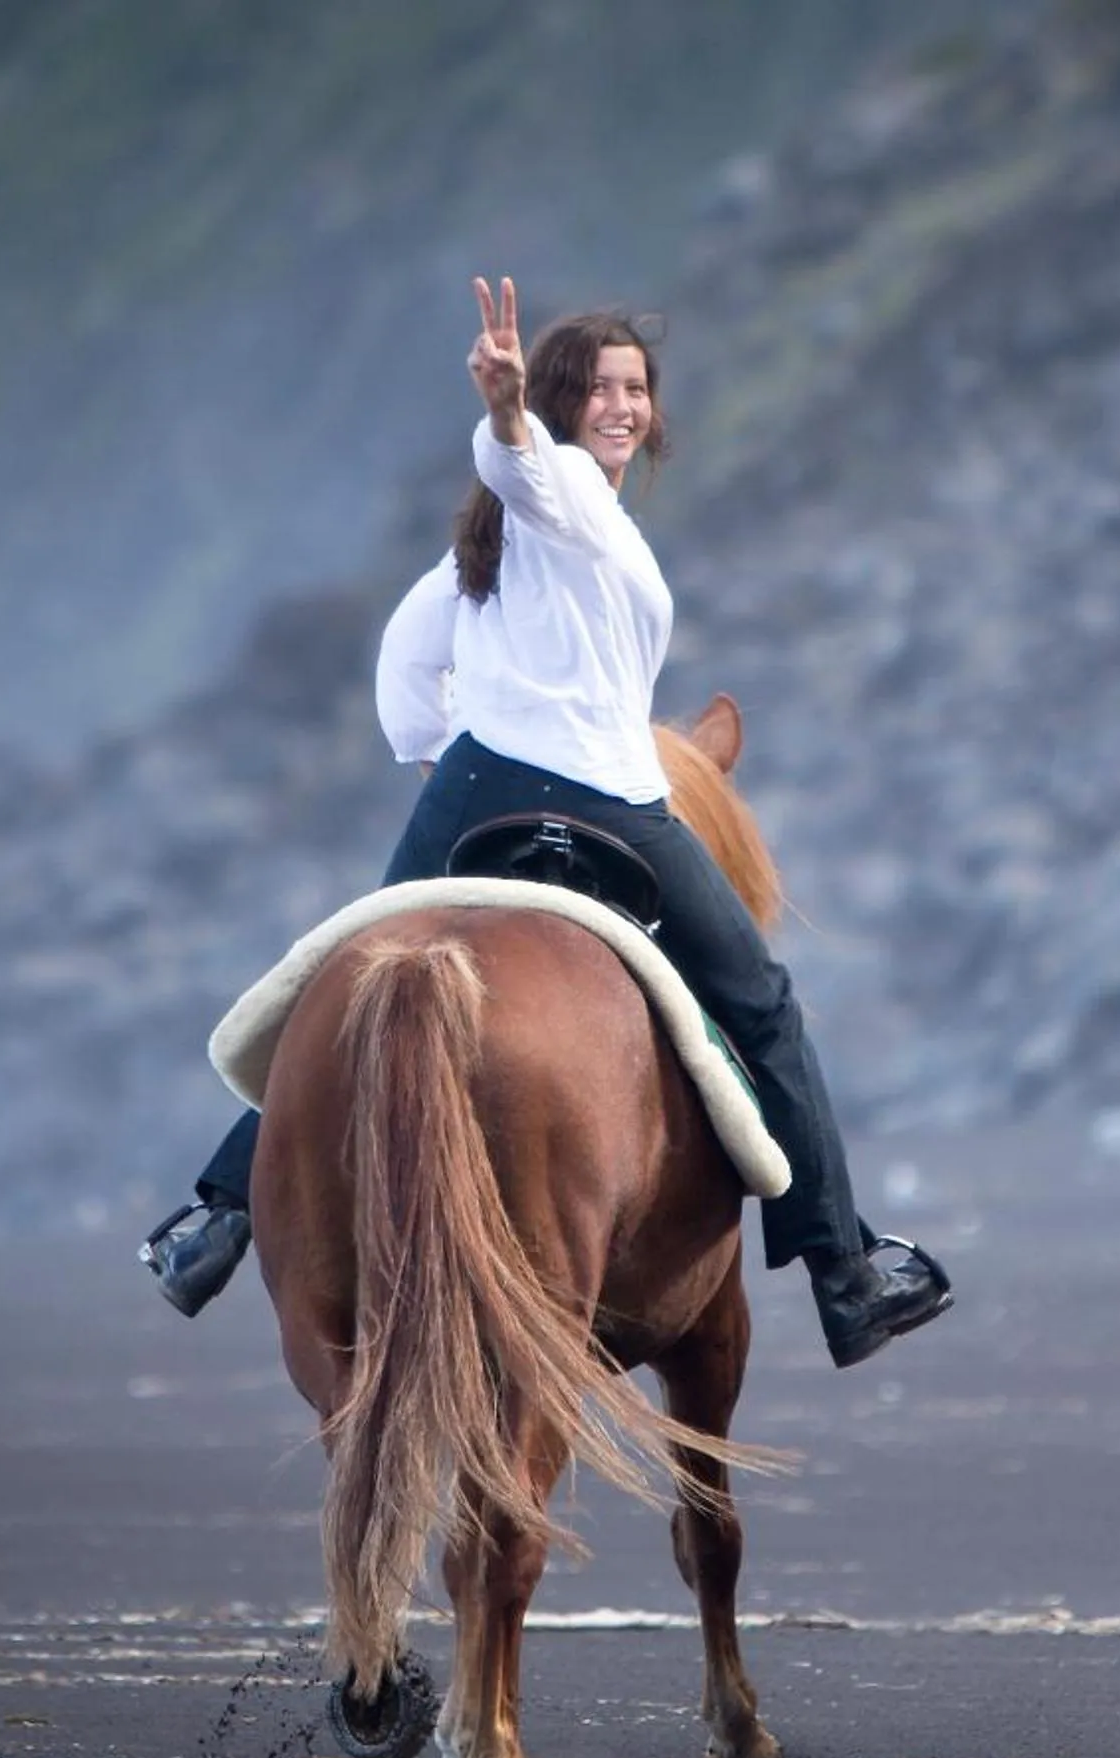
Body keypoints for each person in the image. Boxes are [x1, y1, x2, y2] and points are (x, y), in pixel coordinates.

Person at [142, 277, 954, 1365]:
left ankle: (217, 1221)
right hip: (605, 789)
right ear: (566, 402)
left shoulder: (491, 548)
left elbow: (403, 663)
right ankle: (845, 1275)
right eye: (605, 387)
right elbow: (517, 460)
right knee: (761, 1008)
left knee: (345, 978)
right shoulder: (557, 481)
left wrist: (446, 747)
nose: (623, 405)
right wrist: (507, 409)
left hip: (476, 784)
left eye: (638, 388)